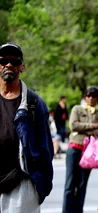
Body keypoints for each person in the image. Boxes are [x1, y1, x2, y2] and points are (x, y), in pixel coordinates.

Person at [0, 42, 54, 212]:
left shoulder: (34, 103)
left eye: (15, 61)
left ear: (22, 67)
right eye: (3, 60)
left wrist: (40, 187)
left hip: (22, 185)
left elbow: (46, 150)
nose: (9, 65)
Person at [62, 86, 98, 213]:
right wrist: (93, 126)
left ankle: (78, 210)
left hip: (89, 153)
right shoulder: (77, 109)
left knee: (82, 184)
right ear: (85, 97)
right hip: (74, 149)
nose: (91, 98)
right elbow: (73, 125)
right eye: (88, 95)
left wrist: (83, 129)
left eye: (94, 96)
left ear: (97, 98)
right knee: (70, 184)